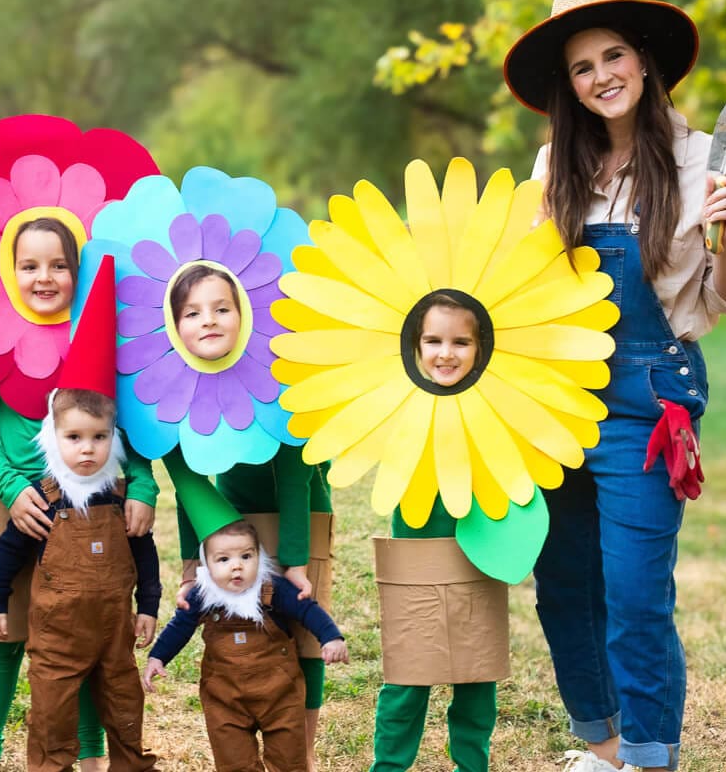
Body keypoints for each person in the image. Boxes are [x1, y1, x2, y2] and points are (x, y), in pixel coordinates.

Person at [504, 0, 726, 772]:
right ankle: (604, 746)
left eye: (613, 55)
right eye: (582, 67)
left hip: (648, 403)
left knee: (635, 597)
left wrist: (722, 235)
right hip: (558, 397)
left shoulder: (704, 164)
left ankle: (651, 757)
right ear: (569, 87)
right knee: (564, 588)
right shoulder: (558, 162)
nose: (601, 75)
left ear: (646, 64)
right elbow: (529, 283)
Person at [0, 219, 159, 772]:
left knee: (92, 634)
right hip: (12, 504)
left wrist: (141, 485)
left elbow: (133, 425)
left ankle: (93, 752)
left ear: (78, 272)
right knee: (2, 631)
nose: (44, 277)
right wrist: (10, 485)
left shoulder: (101, 331)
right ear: (10, 270)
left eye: (59, 266)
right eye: (29, 266)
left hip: (97, 508)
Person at [168, 264, 336, 769]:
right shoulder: (181, 384)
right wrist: (190, 562)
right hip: (232, 513)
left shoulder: (272, 366)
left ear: (242, 314)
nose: (210, 320)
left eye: (223, 308)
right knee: (246, 626)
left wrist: (296, 560)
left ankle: (298, 752)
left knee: (302, 633)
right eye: (193, 312)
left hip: (302, 509)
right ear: (176, 326)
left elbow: (294, 475)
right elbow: (188, 483)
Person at [368, 291, 509, 772]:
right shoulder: (401, 400)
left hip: (478, 547)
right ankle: (388, 765)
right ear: (415, 345)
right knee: (409, 674)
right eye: (433, 341)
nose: (445, 353)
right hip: (417, 550)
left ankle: (473, 763)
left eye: (460, 342)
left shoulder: (495, 405)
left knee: (476, 671)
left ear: (480, 347)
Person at [145, 520, 348, 772]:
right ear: (206, 566)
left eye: (246, 556)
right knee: (233, 761)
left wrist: (331, 637)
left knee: (289, 760)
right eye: (223, 560)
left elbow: (306, 609)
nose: (236, 566)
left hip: (280, 694)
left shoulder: (273, 588)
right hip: (225, 699)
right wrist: (157, 657)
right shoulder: (202, 596)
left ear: (258, 557)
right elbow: (180, 627)